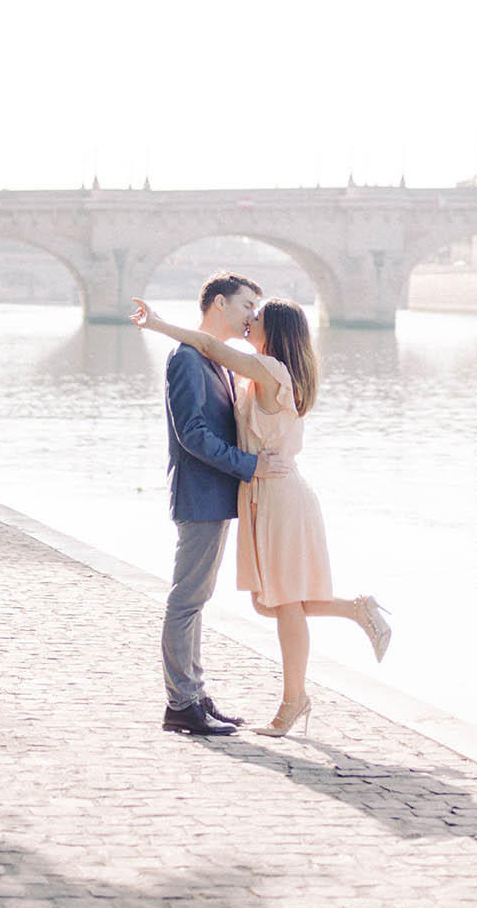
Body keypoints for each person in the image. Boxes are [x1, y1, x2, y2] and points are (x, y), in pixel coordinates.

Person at [131, 294, 391, 737]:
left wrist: (157, 325)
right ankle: (355, 609)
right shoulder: (260, 370)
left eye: (259, 315)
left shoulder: (270, 370)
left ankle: (292, 703)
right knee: (266, 601)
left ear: (277, 331)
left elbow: (211, 348)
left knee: (283, 601)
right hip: (261, 496)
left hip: (278, 495)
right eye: (247, 309)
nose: (251, 319)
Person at [154, 271, 264, 736]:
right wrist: (249, 464)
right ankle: (181, 703)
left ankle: (194, 694)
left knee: (197, 599)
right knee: (186, 600)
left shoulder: (213, 358)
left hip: (214, 495)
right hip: (200, 495)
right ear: (218, 303)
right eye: (245, 307)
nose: (250, 318)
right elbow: (192, 434)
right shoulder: (186, 358)